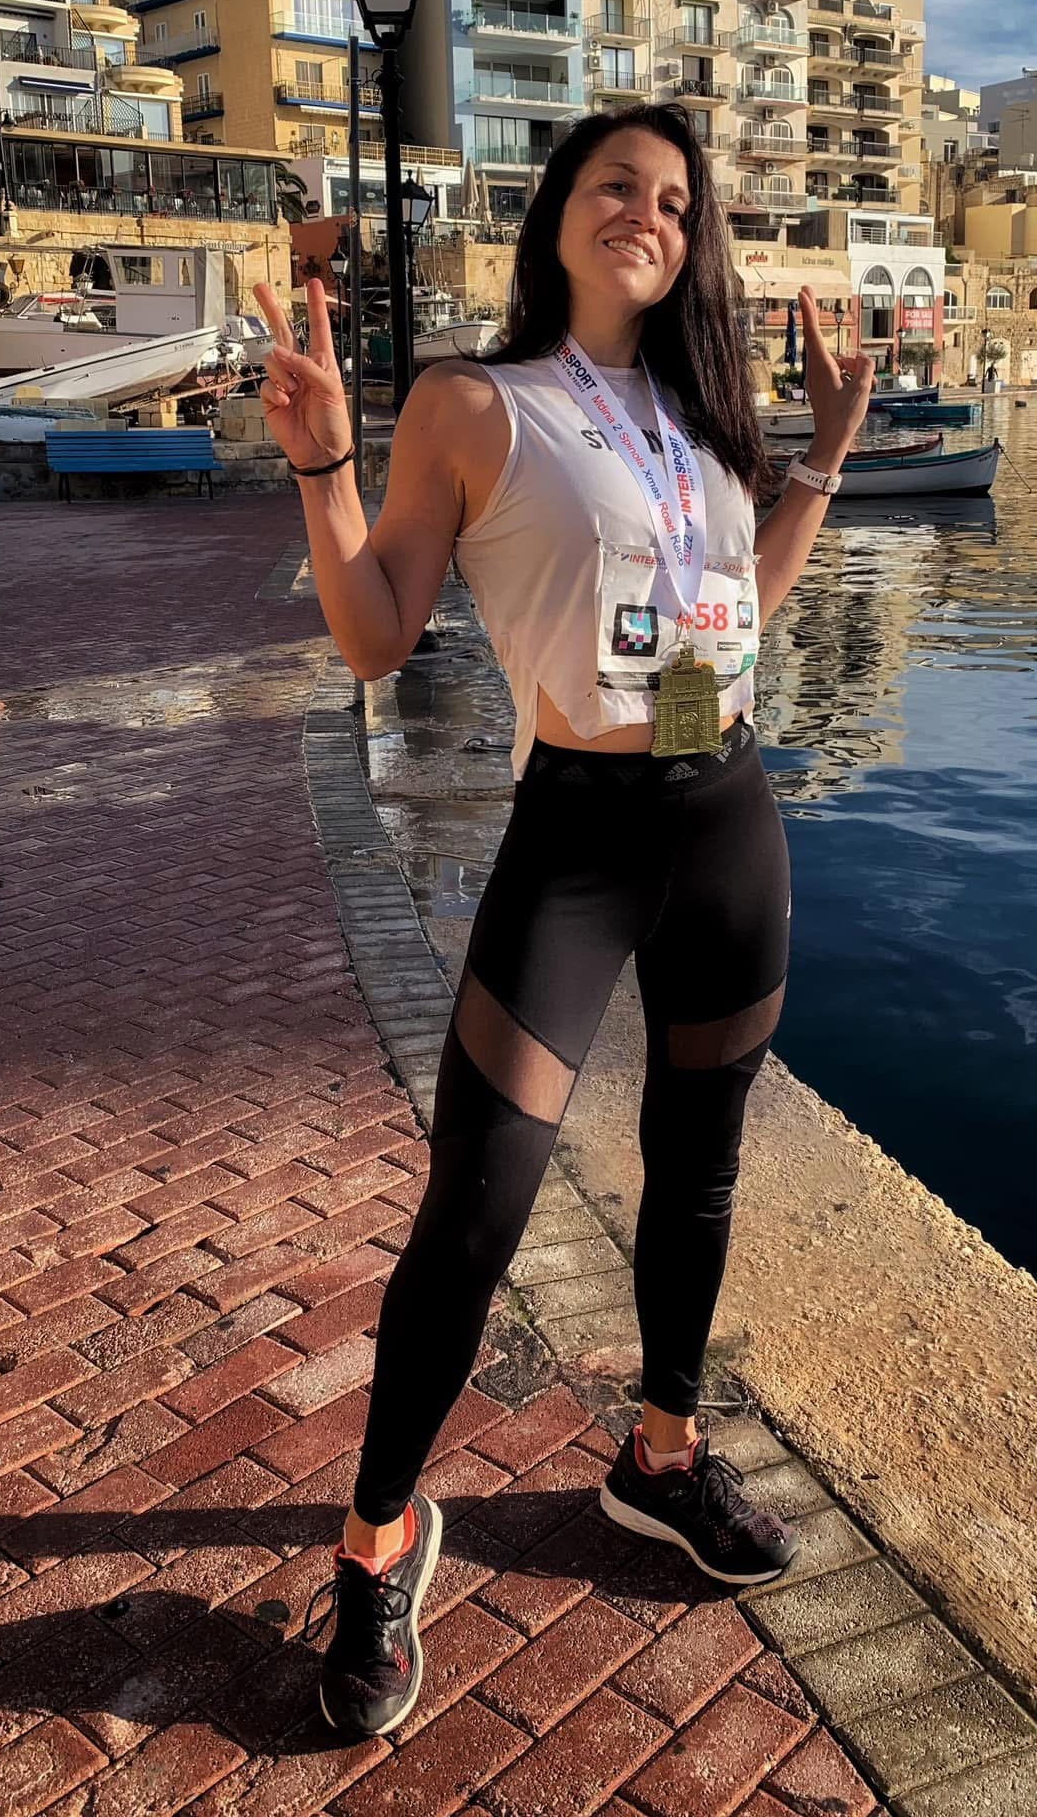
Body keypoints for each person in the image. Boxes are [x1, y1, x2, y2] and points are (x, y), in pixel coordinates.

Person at [253, 102, 875, 1742]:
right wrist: (319, 458)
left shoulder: (698, 411)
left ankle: (661, 1454)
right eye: (618, 185)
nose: (647, 215)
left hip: (728, 810)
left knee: (704, 1160)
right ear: (559, 213)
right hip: (580, 834)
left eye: (675, 202)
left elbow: (742, 607)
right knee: (478, 1203)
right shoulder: (474, 402)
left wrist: (822, 454)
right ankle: (380, 1536)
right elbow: (379, 638)